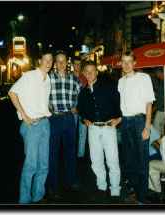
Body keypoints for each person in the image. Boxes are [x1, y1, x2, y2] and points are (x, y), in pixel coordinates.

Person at [8, 49, 54, 204]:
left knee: (44, 165)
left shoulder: (47, 79)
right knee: (31, 166)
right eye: (45, 59)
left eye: (50, 60)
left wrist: (46, 106)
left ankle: (38, 195)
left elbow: (41, 98)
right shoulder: (30, 76)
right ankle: (24, 200)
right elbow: (12, 93)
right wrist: (25, 115)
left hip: (45, 124)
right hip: (32, 125)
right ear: (39, 61)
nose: (48, 63)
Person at [77, 61, 122, 204]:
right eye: (87, 71)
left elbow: (119, 102)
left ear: (97, 72)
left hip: (108, 127)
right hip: (94, 129)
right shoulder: (83, 92)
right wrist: (85, 119)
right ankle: (101, 187)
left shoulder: (108, 87)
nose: (90, 73)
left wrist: (118, 118)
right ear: (84, 73)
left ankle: (115, 190)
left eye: (92, 70)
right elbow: (81, 109)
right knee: (96, 161)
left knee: (112, 160)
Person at [118, 51, 156, 204]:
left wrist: (147, 127)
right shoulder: (121, 82)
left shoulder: (144, 78)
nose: (126, 64)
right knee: (128, 163)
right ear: (121, 63)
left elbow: (149, 103)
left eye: (129, 61)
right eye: (124, 61)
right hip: (126, 122)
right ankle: (138, 192)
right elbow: (124, 105)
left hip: (140, 122)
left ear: (134, 63)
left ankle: (141, 199)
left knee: (142, 162)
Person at [48, 50, 83, 199]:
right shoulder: (48, 78)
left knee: (70, 152)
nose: (61, 64)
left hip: (69, 119)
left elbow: (82, 96)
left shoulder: (74, 80)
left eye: (64, 61)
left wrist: (78, 107)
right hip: (54, 118)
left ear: (67, 63)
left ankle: (72, 181)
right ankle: (52, 184)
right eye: (59, 61)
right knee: (53, 153)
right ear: (55, 63)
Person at [70, 56, 88, 158]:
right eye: (75, 64)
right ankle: (71, 152)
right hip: (72, 105)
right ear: (73, 65)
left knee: (83, 131)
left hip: (83, 104)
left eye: (79, 64)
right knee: (72, 130)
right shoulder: (68, 76)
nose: (77, 66)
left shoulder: (84, 76)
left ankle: (81, 154)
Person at [152, 67, 165, 137]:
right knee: (161, 128)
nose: (155, 75)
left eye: (155, 73)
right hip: (162, 109)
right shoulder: (164, 82)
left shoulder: (164, 82)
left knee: (156, 129)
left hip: (162, 109)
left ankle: (158, 145)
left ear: (158, 72)